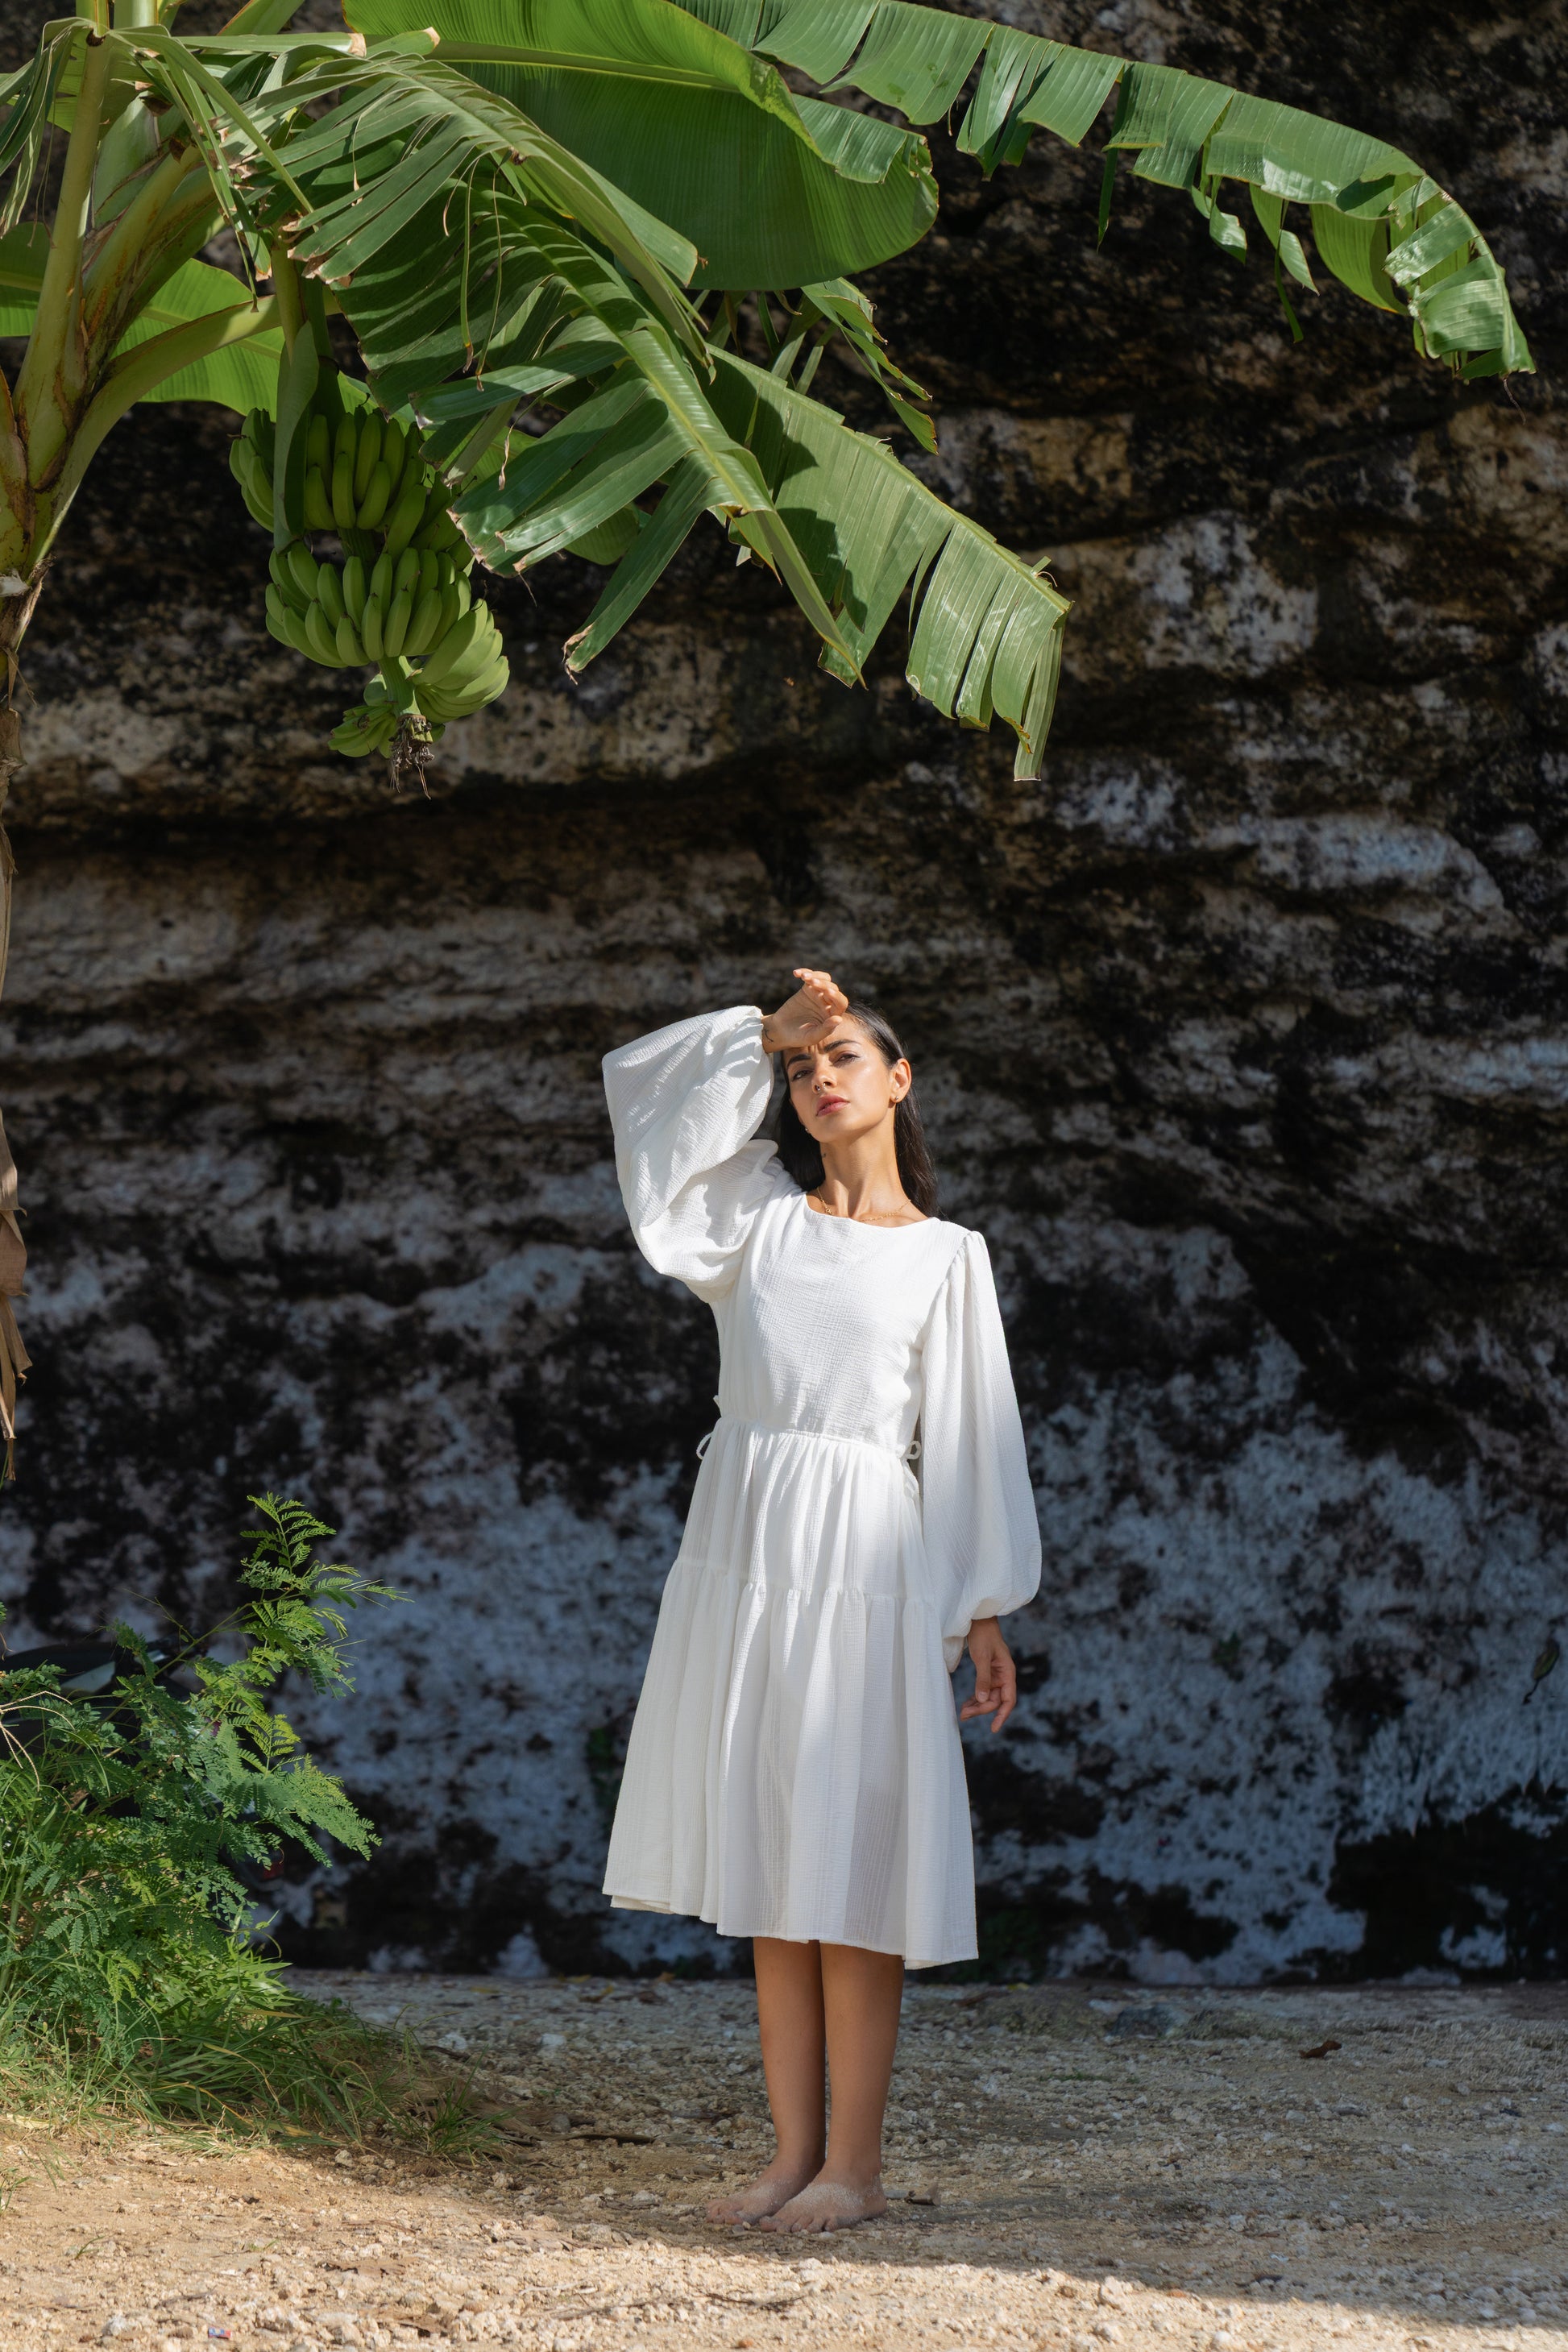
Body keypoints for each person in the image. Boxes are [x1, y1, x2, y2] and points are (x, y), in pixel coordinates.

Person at [600, 969, 1040, 2232]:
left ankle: (855, 2168)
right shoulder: (751, 1219)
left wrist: (982, 1608)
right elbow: (647, 1106)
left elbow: (969, 1438)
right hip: (746, 1543)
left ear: (899, 1080)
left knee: (848, 1862)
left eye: (841, 1056)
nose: (819, 1079)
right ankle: (791, 2158)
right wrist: (759, 1035)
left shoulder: (948, 1257)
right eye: (802, 1069)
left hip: (864, 1557)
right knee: (771, 1854)